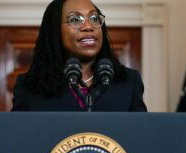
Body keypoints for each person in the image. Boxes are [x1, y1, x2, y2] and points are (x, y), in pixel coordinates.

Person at [11, 0, 147, 112]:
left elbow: (140, 136)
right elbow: (19, 139)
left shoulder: (129, 82)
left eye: (94, 18)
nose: (88, 26)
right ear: (55, 30)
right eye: (75, 19)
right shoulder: (28, 87)